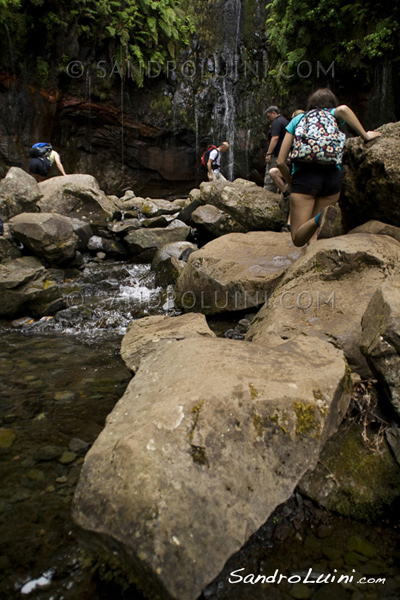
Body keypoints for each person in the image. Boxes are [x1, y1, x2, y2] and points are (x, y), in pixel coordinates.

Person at [277, 89, 381, 247]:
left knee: (298, 238)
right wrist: (365, 135)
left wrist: (290, 183)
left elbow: (280, 162)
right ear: (331, 105)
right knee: (315, 233)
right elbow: (344, 109)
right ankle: (317, 234)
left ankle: (319, 218)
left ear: (310, 106)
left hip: (305, 177)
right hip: (332, 177)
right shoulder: (333, 114)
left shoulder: (299, 119)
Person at [269, 109, 305, 232]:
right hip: (293, 169)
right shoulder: (293, 133)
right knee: (273, 172)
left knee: (296, 193)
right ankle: (285, 193)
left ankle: (289, 225)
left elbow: (280, 161)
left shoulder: (301, 130)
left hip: (302, 171)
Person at [264, 106, 289, 192]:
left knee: (269, 179)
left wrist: (269, 153)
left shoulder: (276, 122)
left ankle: (267, 197)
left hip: (276, 154)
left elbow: (275, 138)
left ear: (274, 113)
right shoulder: (285, 121)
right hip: (283, 154)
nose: (268, 119)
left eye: (269, 116)